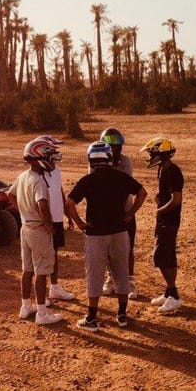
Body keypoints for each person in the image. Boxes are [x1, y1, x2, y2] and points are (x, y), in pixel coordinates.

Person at [66, 141, 147, 331]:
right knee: (121, 273)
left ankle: (92, 317)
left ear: (90, 159)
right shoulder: (120, 177)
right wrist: (130, 214)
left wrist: (79, 223)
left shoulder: (87, 180)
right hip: (120, 231)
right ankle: (122, 315)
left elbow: (70, 203)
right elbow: (142, 193)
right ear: (109, 157)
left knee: (95, 274)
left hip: (96, 234)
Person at [7, 139, 63, 326]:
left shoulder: (23, 176)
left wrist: (23, 211)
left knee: (27, 269)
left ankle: (25, 307)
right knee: (41, 271)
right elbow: (42, 205)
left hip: (26, 227)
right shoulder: (39, 181)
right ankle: (42, 312)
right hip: (38, 229)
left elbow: (10, 194)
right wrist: (48, 224)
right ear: (40, 159)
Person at [140, 137, 184, 314]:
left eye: (152, 153)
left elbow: (176, 199)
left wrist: (160, 210)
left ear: (162, 153)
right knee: (166, 256)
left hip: (169, 221)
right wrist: (159, 200)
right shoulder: (164, 170)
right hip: (165, 220)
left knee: (162, 257)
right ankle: (168, 293)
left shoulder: (173, 172)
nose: (150, 156)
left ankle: (174, 296)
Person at [31, 134, 75, 303]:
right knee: (42, 258)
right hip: (44, 221)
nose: (57, 153)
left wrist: (67, 213)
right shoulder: (37, 174)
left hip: (56, 219)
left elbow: (59, 191)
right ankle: (40, 297)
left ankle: (54, 288)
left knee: (54, 254)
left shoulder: (56, 171)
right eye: (53, 150)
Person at [96, 127, 138, 299]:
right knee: (107, 249)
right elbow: (94, 184)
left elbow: (125, 186)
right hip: (105, 213)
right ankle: (110, 278)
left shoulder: (125, 161)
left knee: (127, 248)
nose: (113, 149)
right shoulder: (96, 161)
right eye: (109, 146)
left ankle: (129, 281)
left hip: (125, 211)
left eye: (116, 145)